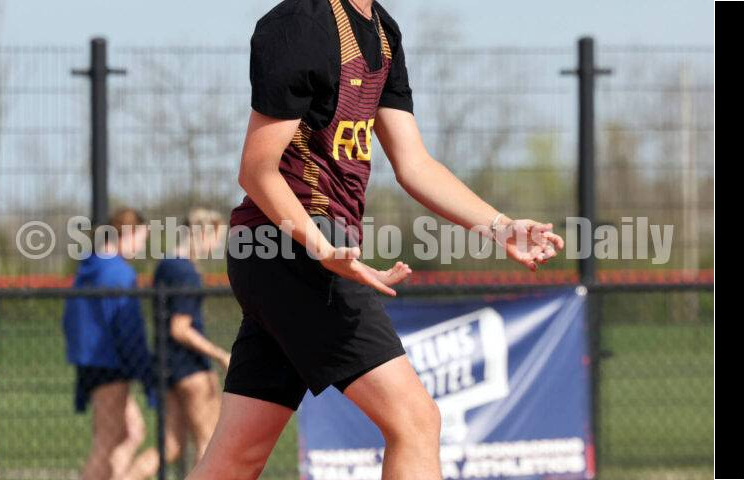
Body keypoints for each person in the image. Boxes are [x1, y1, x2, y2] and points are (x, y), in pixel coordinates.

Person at [188, 1, 565, 479]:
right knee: (415, 421)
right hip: (292, 248)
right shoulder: (300, 25)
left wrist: (500, 225)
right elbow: (256, 170)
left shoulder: (382, 31)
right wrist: (320, 247)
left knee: (237, 457)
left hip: (300, 255)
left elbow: (414, 164)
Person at [122, 208, 230, 480]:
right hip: (191, 369)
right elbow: (180, 329)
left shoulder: (166, 266)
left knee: (171, 445)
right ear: (202, 234)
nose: (215, 246)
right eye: (215, 238)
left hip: (166, 365)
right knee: (209, 443)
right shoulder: (186, 273)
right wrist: (219, 355)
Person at [62, 208, 153, 480]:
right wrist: (145, 371)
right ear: (128, 234)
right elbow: (129, 329)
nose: (142, 246)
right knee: (106, 442)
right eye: (142, 238)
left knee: (132, 432)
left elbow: (68, 321)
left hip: (92, 362)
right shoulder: (118, 273)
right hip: (109, 365)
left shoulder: (88, 268)